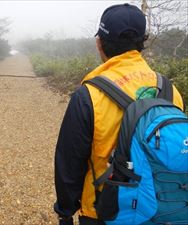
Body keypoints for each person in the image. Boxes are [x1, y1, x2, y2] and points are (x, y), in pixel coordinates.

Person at [53, 3, 184, 225]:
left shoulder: (89, 95)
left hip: (103, 211)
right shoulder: (170, 90)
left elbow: (70, 162)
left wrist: (65, 210)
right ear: (141, 44)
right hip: (161, 209)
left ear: (99, 43)